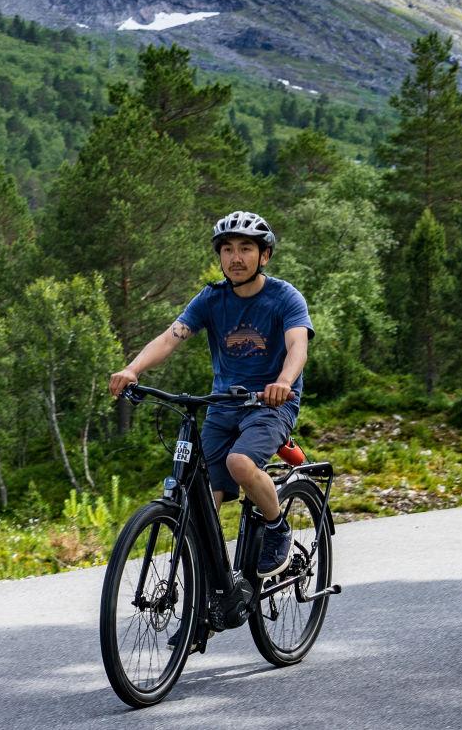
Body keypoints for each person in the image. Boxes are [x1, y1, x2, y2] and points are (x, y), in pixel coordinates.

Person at [109, 210, 312, 577]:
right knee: (201, 495)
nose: (236, 258)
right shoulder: (211, 299)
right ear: (219, 256)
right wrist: (133, 369)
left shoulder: (285, 298)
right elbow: (171, 337)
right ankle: (209, 595)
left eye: (246, 249)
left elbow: (297, 345)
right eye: (228, 249)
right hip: (222, 406)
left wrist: (284, 380)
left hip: (270, 405)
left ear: (263, 255)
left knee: (240, 464)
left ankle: (276, 526)